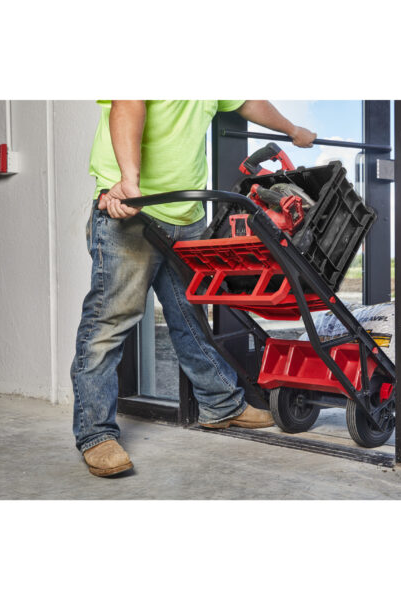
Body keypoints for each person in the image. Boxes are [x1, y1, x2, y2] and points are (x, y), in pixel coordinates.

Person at [71, 100, 316, 477]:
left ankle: (221, 404)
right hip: (134, 204)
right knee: (109, 322)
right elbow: (128, 103)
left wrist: (292, 130)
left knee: (191, 315)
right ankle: (96, 434)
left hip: (186, 215)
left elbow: (247, 100)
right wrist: (129, 180)